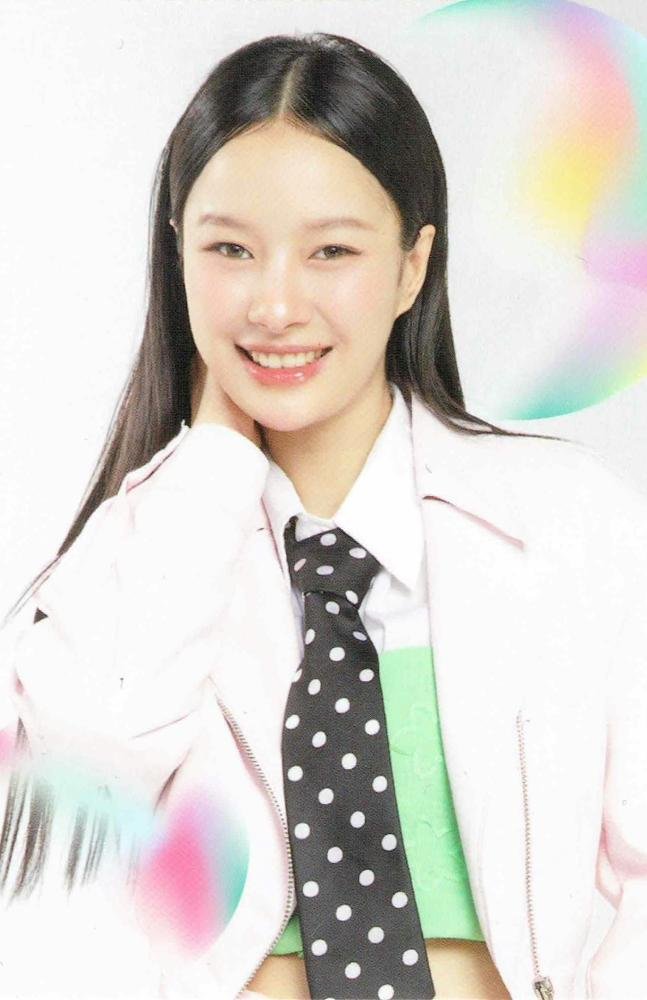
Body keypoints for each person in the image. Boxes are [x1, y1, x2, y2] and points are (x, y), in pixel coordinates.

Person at [0, 29, 646, 1000]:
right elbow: (67, 821)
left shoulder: (567, 525)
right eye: (230, 249)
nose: (275, 304)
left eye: (331, 251)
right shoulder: (135, 557)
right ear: (178, 254)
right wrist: (213, 466)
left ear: (412, 265)